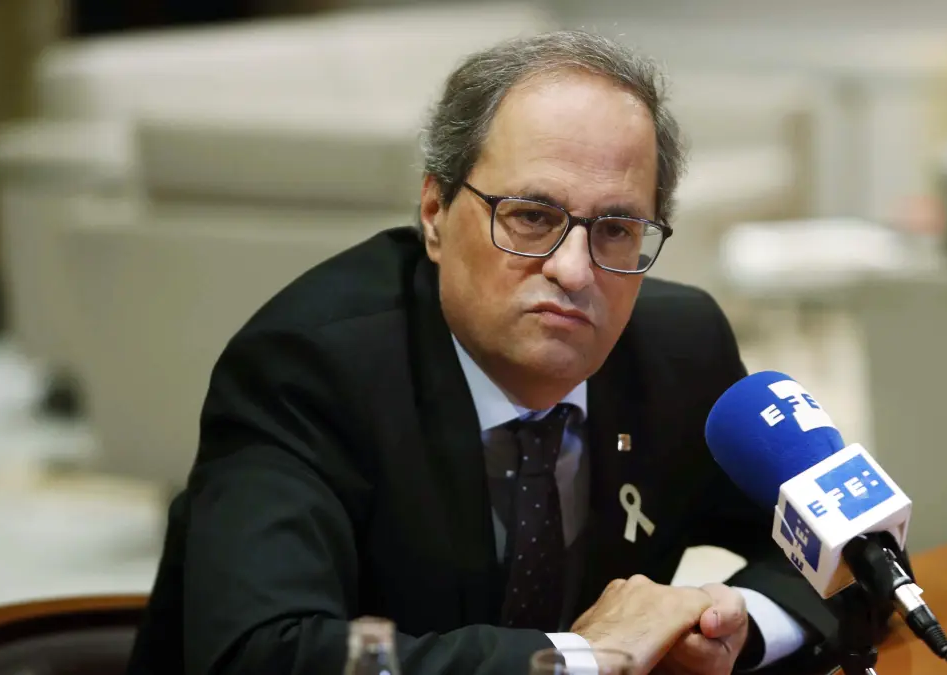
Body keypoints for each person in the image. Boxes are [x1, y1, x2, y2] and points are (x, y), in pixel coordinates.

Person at [126, 30, 864, 675]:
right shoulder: (305, 370)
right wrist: (578, 658)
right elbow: (263, 653)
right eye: (532, 216)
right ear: (435, 213)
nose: (574, 270)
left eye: (615, 229)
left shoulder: (678, 347)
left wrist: (732, 623)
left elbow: (860, 553)